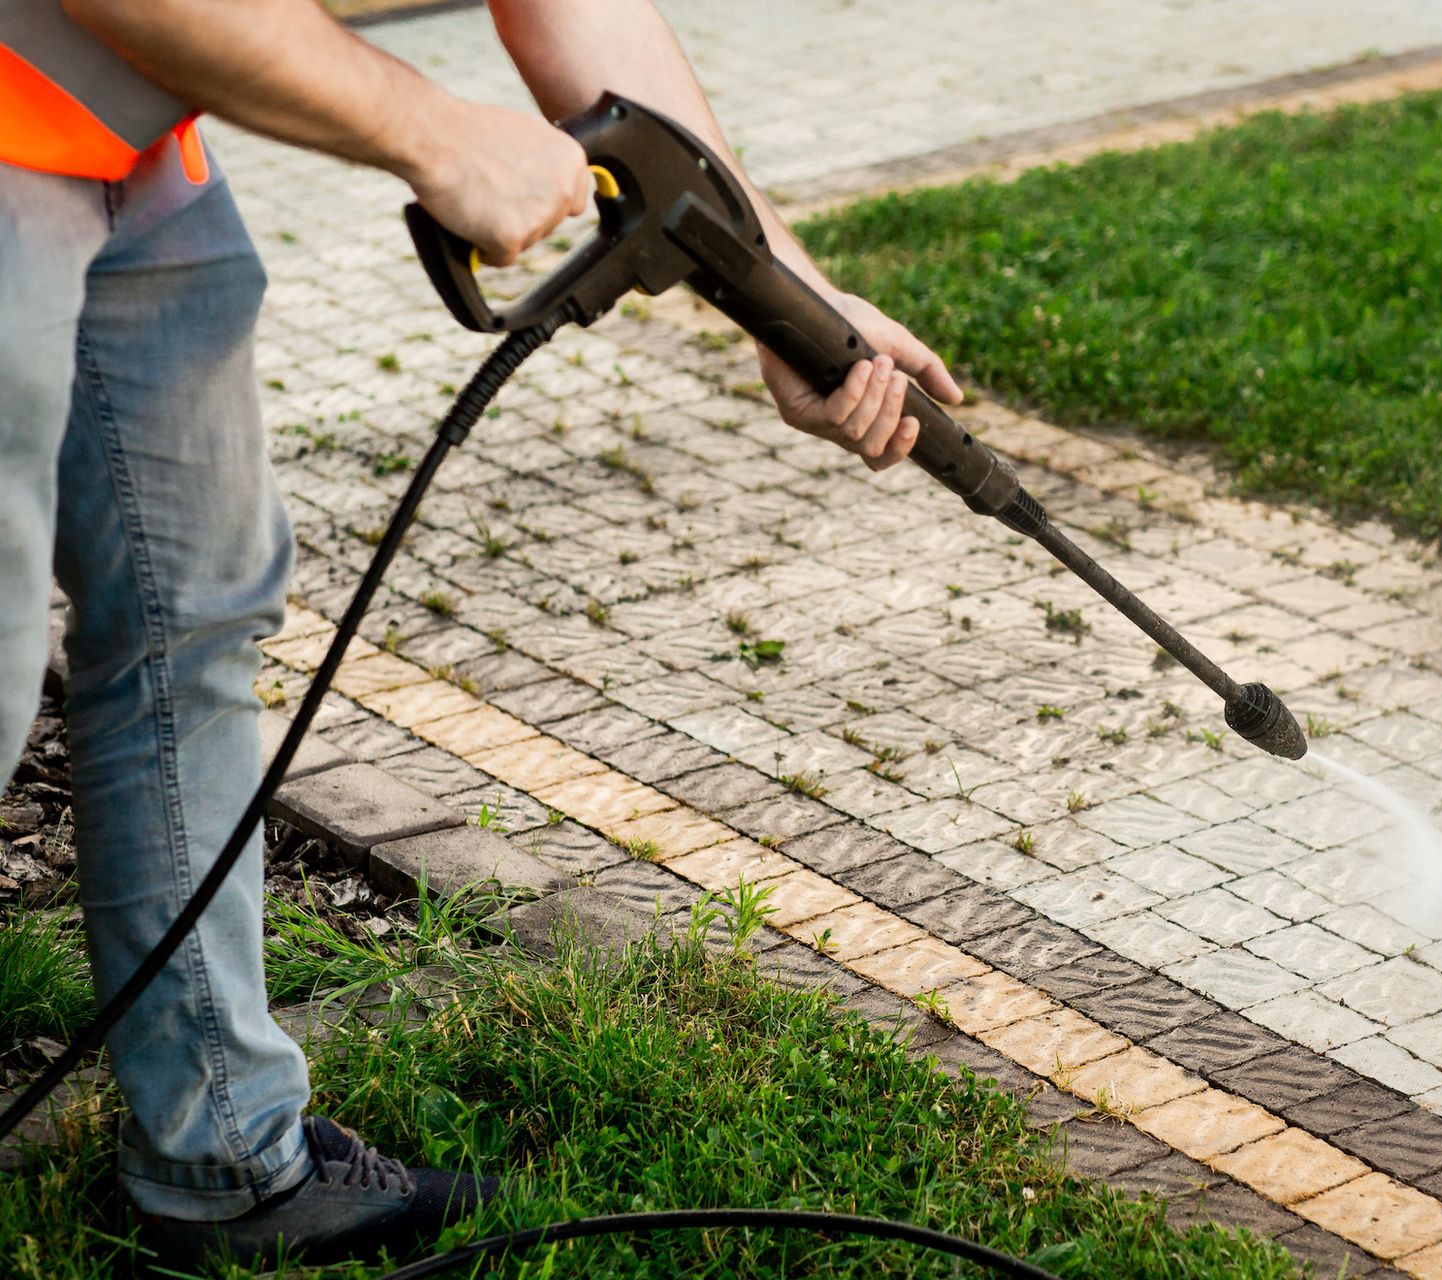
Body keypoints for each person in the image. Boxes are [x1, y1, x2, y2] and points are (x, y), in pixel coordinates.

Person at [0, 0, 964, 1266]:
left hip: (125, 142)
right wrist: (430, 129)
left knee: (195, 618)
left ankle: (223, 1150)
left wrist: (784, 290)